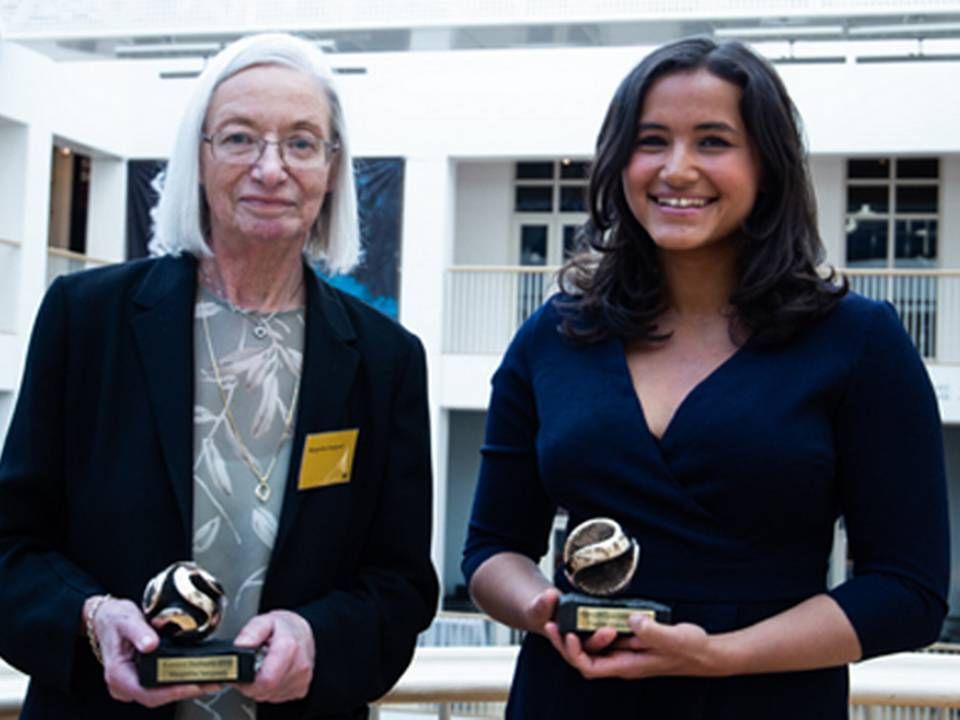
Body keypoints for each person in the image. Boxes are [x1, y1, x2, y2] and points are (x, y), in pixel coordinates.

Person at [462, 37, 948, 719]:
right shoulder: (555, 335)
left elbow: (909, 592)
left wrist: (720, 655)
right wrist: (541, 607)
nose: (677, 168)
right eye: (651, 140)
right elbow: (491, 550)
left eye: (714, 142)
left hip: (766, 704)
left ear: (768, 167)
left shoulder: (859, 342)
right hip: (570, 696)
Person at [0, 33, 438, 720]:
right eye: (239, 139)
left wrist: (316, 637)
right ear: (196, 159)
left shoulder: (385, 360)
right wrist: (91, 620)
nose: (271, 168)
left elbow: (402, 585)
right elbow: (11, 547)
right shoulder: (86, 321)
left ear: (331, 169)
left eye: (301, 143)